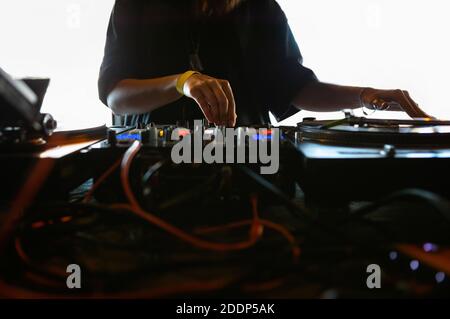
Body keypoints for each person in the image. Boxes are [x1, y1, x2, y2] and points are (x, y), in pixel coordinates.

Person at [98, 0, 432, 128]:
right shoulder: (135, 5)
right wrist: (183, 82)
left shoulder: (262, 9)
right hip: (147, 164)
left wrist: (365, 96)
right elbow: (116, 96)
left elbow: (296, 88)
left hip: (247, 162)